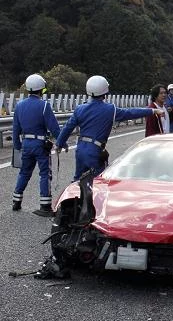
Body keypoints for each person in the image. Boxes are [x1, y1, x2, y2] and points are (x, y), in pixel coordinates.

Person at [55, 75, 164, 182]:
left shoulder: (80, 108)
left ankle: (76, 199)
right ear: (105, 91)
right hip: (95, 150)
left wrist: (59, 144)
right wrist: (152, 111)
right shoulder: (110, 109)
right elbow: (130, 112)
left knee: (78, 181)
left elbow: (67, 128)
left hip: (80, 149)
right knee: (98, 183)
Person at [11, 74, 61, 216]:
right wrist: (61, 142)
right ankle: (45, 205)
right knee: (45, 173)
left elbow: (15, 129)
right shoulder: (44, 106)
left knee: (24, 172)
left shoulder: (19, 106)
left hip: (26, 144)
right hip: (40, 144)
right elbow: (54, 127)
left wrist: (17, 145)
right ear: (41, 90)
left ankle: (16, 201)